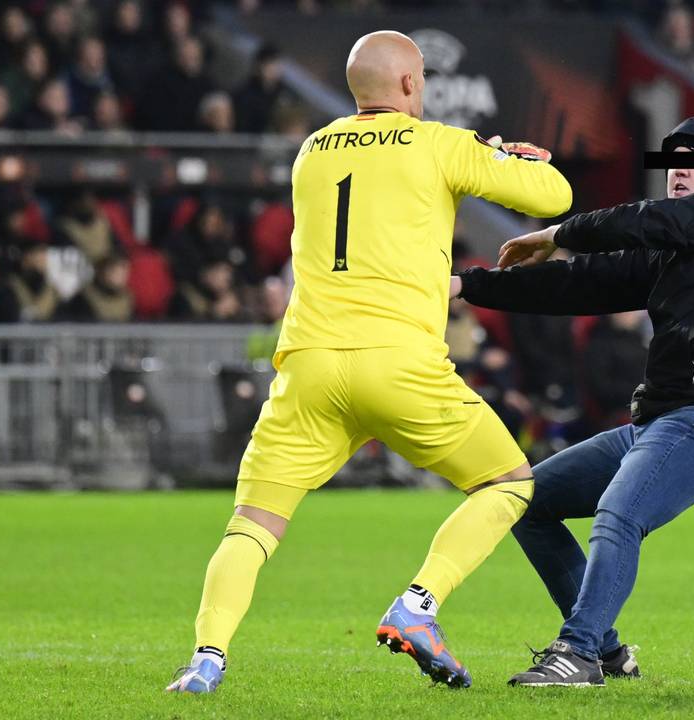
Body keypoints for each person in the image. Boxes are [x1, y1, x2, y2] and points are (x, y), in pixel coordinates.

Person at [165, 31, 571, 693]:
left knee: (252, 526)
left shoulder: (311, 151)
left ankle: (206, 659)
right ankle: (418, 606)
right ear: (412, 85)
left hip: (310, 368)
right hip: (399, 365)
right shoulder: (439, 143)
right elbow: (552, 197)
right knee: (508, 482)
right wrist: (508, 156)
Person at [454, 113, 694, 686]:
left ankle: (574, 650)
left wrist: (555, 232)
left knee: (618, 512)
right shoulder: (675, 247)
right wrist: (469, 284)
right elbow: (580, 284)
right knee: (526, 502)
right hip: (662, 426)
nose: (678, 171)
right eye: (672, 160)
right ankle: (604, 652)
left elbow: (643, 220)